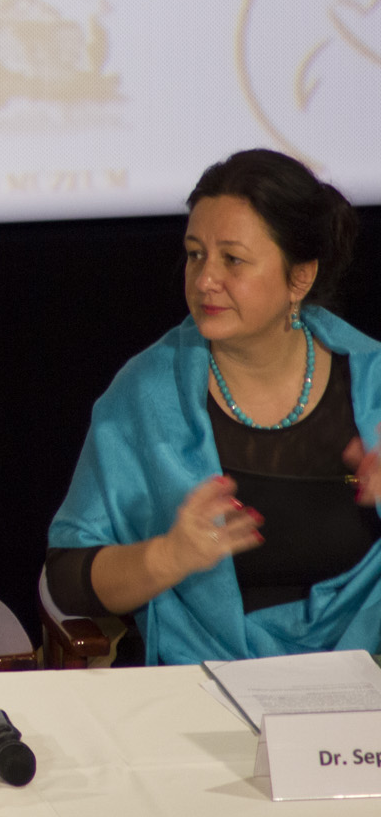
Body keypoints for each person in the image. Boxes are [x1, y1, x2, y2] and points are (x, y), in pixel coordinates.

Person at [48, 149, 381, 664]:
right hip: (200, 681)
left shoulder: (372, 382)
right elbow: (67, 577)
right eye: (195, 254)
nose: (205, 279)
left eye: (233, 259)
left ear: (300, 277)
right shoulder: (146, 394)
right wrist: (167, 557)